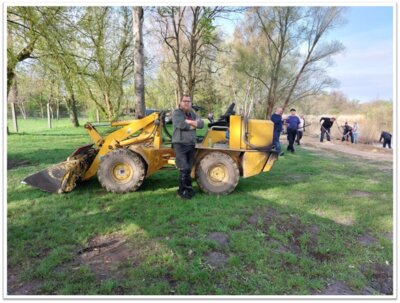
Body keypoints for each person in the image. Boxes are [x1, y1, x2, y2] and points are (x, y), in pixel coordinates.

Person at [172, 95, 204, 199]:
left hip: (191, 144)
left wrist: (189, 122)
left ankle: (188, 189)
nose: (186, 103)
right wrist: (193, 124)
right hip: (180, 144)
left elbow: (201, 124)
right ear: (180, 102)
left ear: (191, 103)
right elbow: (181, 125)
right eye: (184, 101)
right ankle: (181, 192)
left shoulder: (192, 114)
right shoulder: (177, 113)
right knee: (184, 167)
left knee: (189, 168)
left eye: (188, 101)